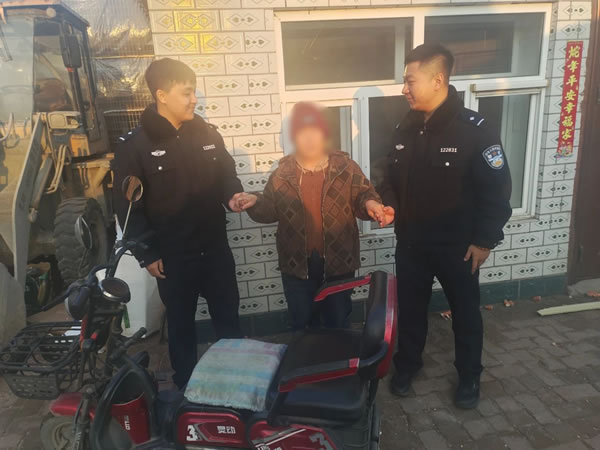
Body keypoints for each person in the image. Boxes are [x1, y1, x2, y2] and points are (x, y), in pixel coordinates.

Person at [378, 44, 512, 409]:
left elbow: (497, 190)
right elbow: (387, 176)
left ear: (438, 80)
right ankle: (408, 365)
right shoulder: (405, 127)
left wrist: (484, 240)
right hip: (411, 243)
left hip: (458, 247)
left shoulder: (474, 130)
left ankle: (469, 375)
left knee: (465, 315)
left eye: (410, 81)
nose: (404, 89)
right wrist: (388, 204)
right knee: (410, 310)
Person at [113, 58, 246, 389]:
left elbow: (227, 174)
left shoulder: (207, 134)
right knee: (181, 326)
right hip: (172, 258)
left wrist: (233, 195)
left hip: (214, 250)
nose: (194, 99)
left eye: (194, 91)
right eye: (186, 92)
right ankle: (187, 387)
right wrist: (147, 253)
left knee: (229, 319)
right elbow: (128, 206)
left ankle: (237, 382)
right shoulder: (135, 145)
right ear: (162, 95)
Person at [233, 102, 394, 330]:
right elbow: (269, 210)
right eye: (302, 132)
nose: (309, 138)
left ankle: (337, 352)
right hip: (297, 264)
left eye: (315, 131)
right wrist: (255, 201)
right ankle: (306, 352)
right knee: (302, 323)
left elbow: (363, 195)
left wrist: (372, 204)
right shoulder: (282, 174)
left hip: (339, 262)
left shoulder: (345, 167)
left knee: (337, 321)